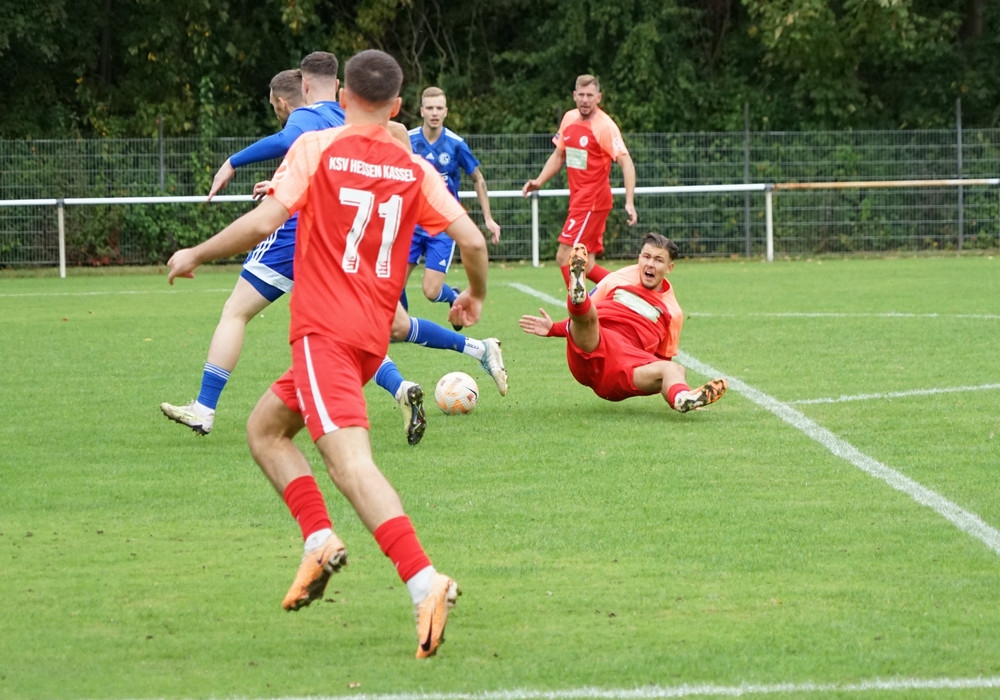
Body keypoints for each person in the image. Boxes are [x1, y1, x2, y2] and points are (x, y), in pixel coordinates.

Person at [165, 49, 487, 659]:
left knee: (351, 466)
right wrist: (473, 294)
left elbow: (262, 225)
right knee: (265, 431)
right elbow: (470, 240)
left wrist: (196, 253)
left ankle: (425, 582)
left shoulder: (315, 148)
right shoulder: (414, 167)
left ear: (342, 99)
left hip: (325, 336)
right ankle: (318, 541)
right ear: (398, 107)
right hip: (369, 340)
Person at [160, 56, 506, 443]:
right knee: (384, 328)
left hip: (305, 236)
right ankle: (465, 355)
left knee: (238, 315)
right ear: (392, 105)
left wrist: (231, 166)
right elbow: (469, 236)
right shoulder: (372, 134)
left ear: (305, 92)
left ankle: (205, 407)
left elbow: (279, 169)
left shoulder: (307, 124)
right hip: (355, 246)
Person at [518, 234, 727, 412]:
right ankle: (577, 293)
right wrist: (553, 329)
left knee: (675, 370)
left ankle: (682, 398)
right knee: (589, 314)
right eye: (646, 257)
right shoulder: (618, 278)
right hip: (595, 344)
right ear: (639, 258)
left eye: (658, 260)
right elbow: (586, 318)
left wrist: (667, 382)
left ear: (669, 267)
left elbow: (661, 359)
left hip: (626, 367)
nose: (650, 264)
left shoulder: (673, 311)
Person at [521, 74, 637, 288]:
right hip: (580, 201)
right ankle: (630, 292)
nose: (585, 100)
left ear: (598, 98)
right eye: (581, 95)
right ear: (574, 96)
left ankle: (578, 306)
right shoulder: (569, 119)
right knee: (588, 265)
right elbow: (559, 155)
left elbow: (626, 162)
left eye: (590, 95)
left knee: (565, 257)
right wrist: (538, 181)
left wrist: (629, 201)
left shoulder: (604, 127)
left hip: (592, 202)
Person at [405, 86, 501, 328]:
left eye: (439, 108)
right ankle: (397, 325)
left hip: (442, 227)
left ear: (446, 112)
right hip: (411, 224)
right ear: (421, 111)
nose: (434, 113)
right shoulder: (407, 140)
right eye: (430, 108)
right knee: (393, 284)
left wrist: (488, 218)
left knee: (431, 291)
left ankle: (453, 296)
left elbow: (477, 178)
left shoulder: (456, 144)